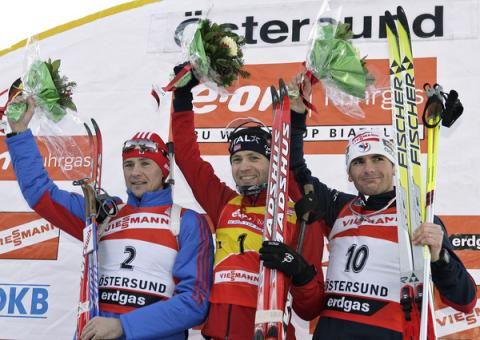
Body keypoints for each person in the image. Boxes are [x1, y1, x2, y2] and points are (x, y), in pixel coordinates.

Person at [261, 75, 477, 339]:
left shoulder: (416, 216)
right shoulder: (338, 207)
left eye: (377, 159)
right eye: (359, 162)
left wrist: (438, 257)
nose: (369, 169)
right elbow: (293, 171)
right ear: (349, 174)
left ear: (393, 166)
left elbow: (465, 300)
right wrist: (296, 116)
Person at [5, 95, 214, 340]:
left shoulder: (187, 221)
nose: (135, 172)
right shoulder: (104, 213)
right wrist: (19, 133)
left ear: (164, 169)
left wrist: (123, 325)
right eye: (129, 165)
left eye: (146, 164)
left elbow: (194, 303)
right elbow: (40, 194)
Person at [171, 69, 325, 339]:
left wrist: (299, 272)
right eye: (237, 159)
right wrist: (182, 96)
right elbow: (187, 157)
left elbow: (310, 308)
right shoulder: (225, 203)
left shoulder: (297, 215)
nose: (244, 167)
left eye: (254, 158)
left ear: (273, 162)